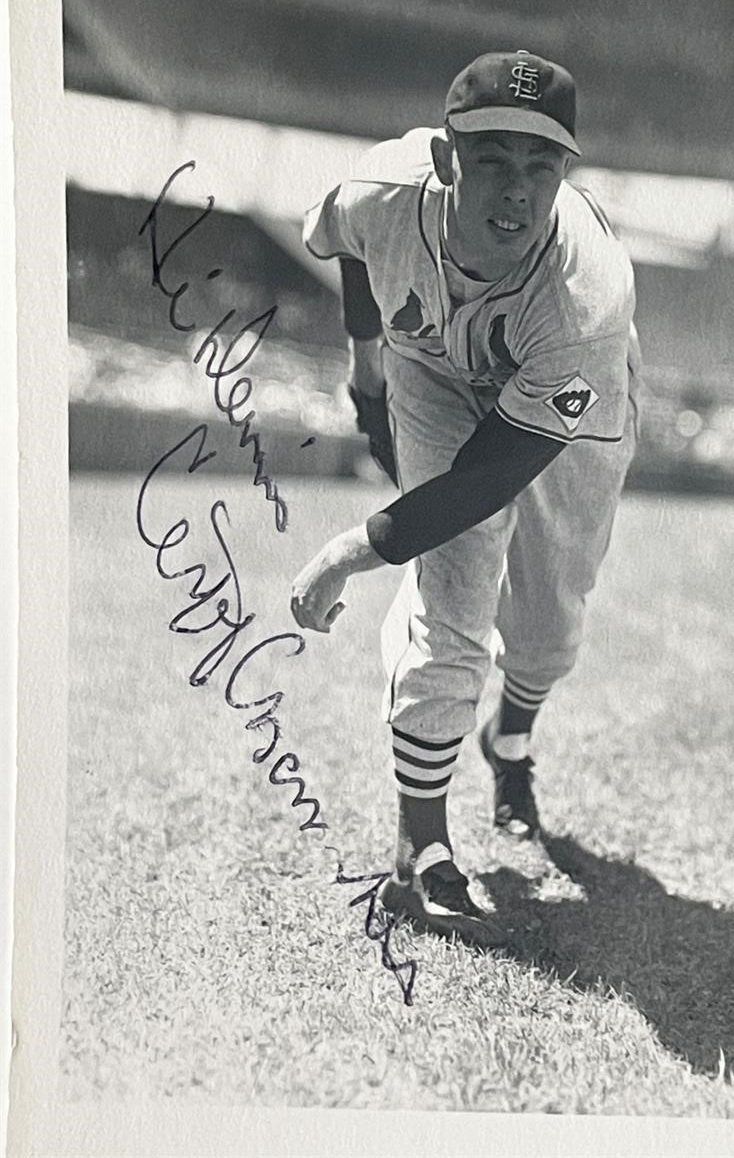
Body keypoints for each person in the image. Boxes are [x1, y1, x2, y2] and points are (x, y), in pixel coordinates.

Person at [292, 49, 641, 946]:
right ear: (447, 160)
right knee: (453, 595)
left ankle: (511, 741)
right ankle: (422, 845)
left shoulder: (587, 299)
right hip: (434, 372)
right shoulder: (383, 189)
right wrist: (366, 368)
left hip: (562, 409)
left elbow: (487, 477)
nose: (517, 192)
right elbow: (346, 245)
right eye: (492, 160)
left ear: (566, 175)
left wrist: (347, 549)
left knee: (548, 626)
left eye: (541, 166)